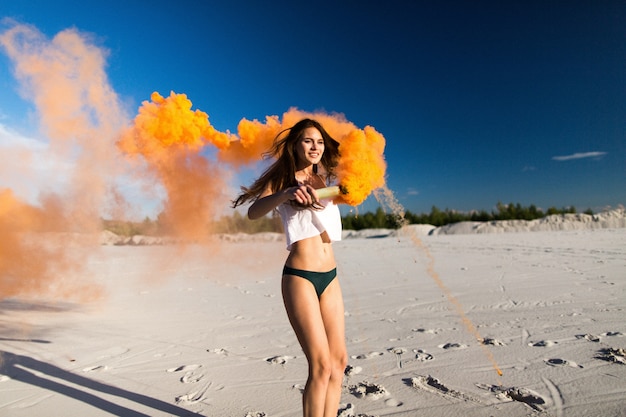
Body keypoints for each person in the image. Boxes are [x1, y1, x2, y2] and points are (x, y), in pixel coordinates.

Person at [233, 118, 347, 417]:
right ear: (295, 144)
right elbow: (253, 212)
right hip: (301, 277)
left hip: (330, 276)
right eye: (308, 140)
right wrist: (285, 194)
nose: (315, 146)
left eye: (320, 142)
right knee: (321, 365)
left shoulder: (327, 179)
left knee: (339, 363)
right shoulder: (284, 179)